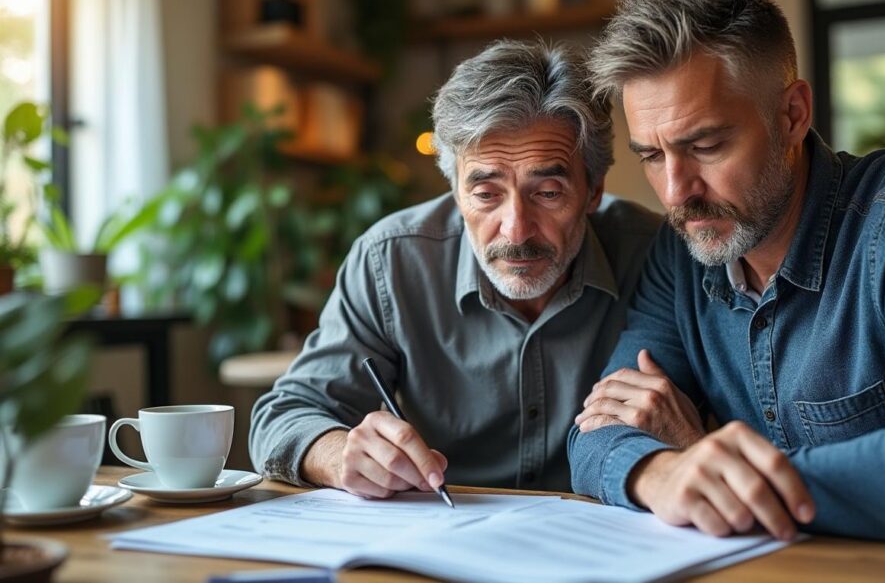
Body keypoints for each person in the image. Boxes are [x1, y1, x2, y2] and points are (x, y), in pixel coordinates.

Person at [568, 0, 885, 549]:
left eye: (705, 146)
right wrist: (662, 474)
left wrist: (705, 466)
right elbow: (594, 436)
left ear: (792, 115)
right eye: (653, 156)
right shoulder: (682, 250)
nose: (675, 193)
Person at [249, 40, 661, 498]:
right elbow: (284, 415)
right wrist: (341, 453)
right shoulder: (392, 261)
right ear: (455, 190)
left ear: (593, 191)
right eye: (485, 194)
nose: (516, 230)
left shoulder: (654, 256)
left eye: (547, 192)